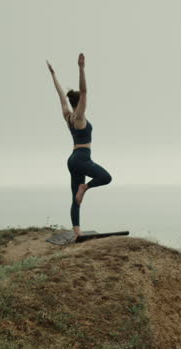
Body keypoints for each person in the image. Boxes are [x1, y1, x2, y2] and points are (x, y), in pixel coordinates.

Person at [47, 53, 111, 240]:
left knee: (75, 200)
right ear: (79, 103)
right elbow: (84, 92)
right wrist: (81, 68)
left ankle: (77, 232)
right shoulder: (80, 116)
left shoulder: (68, 117)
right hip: (83, 158)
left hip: (72, 160)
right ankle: (86, 188)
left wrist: (53, 76)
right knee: (106, 177)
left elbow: (61, 97)